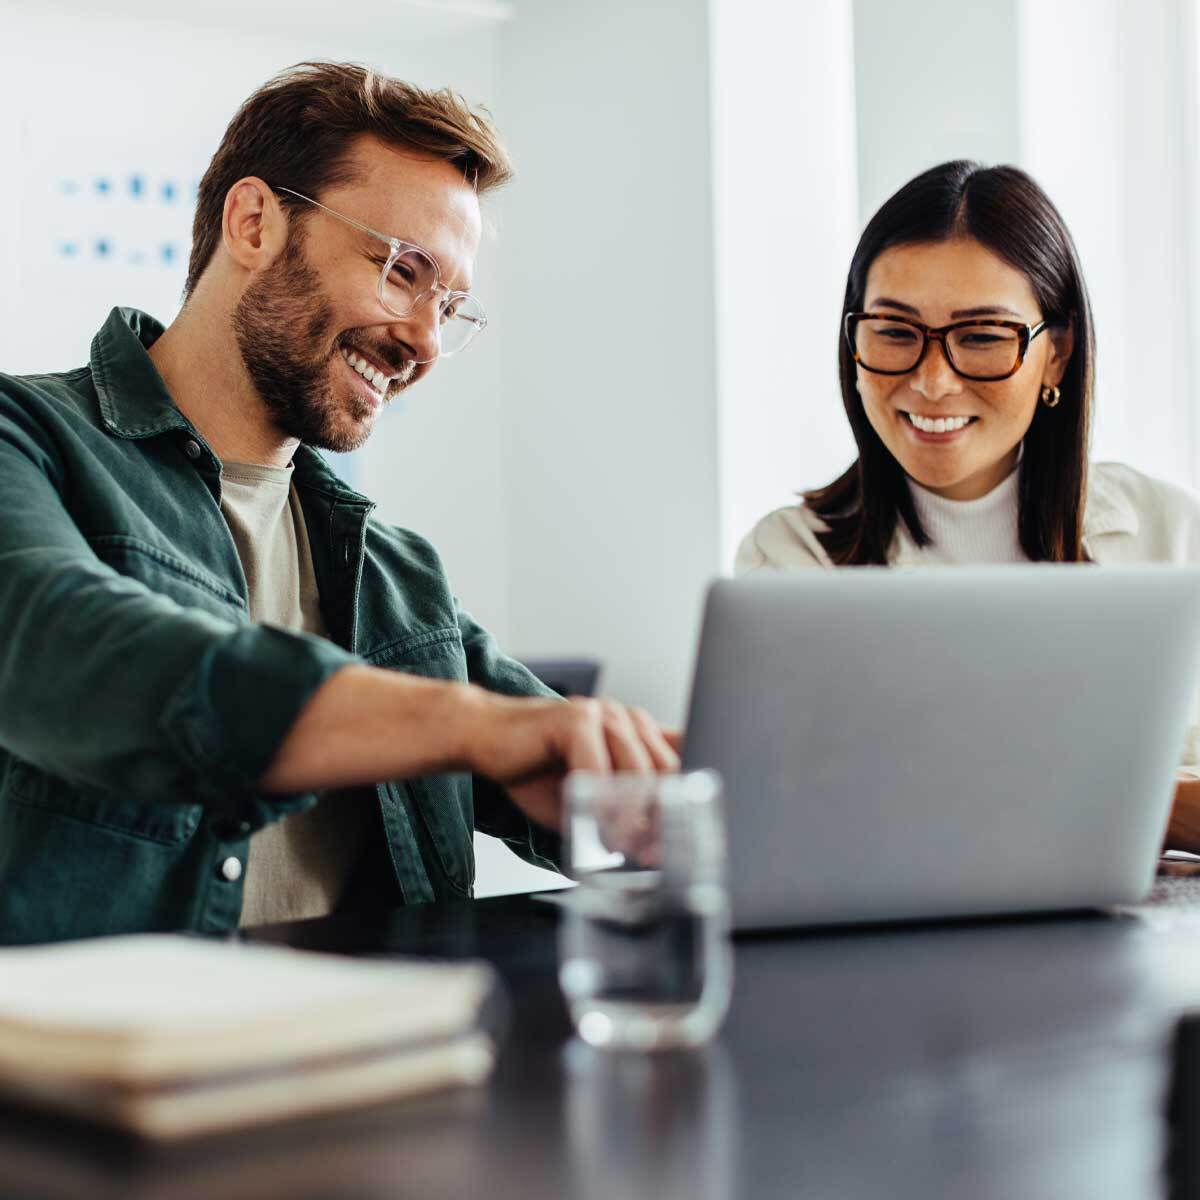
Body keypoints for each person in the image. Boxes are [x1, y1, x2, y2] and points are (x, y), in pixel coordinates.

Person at [0, 62, 678, 945]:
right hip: (113, 1071)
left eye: (452, 306)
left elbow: (553, 749)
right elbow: (68, 643)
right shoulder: (28, 439)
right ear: (253, 224)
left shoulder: (400, 577)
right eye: (402, 271)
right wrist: (467, 724)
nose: (425, 342)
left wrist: (662, 779)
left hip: (391, 1058)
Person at [735, 159, 1200, 851]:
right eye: (894, 332)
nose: (931, 382)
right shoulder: (790, 558)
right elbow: (793, 815)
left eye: (981, 337)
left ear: (1057, 354)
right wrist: (1130, 800)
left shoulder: (1170, 535)